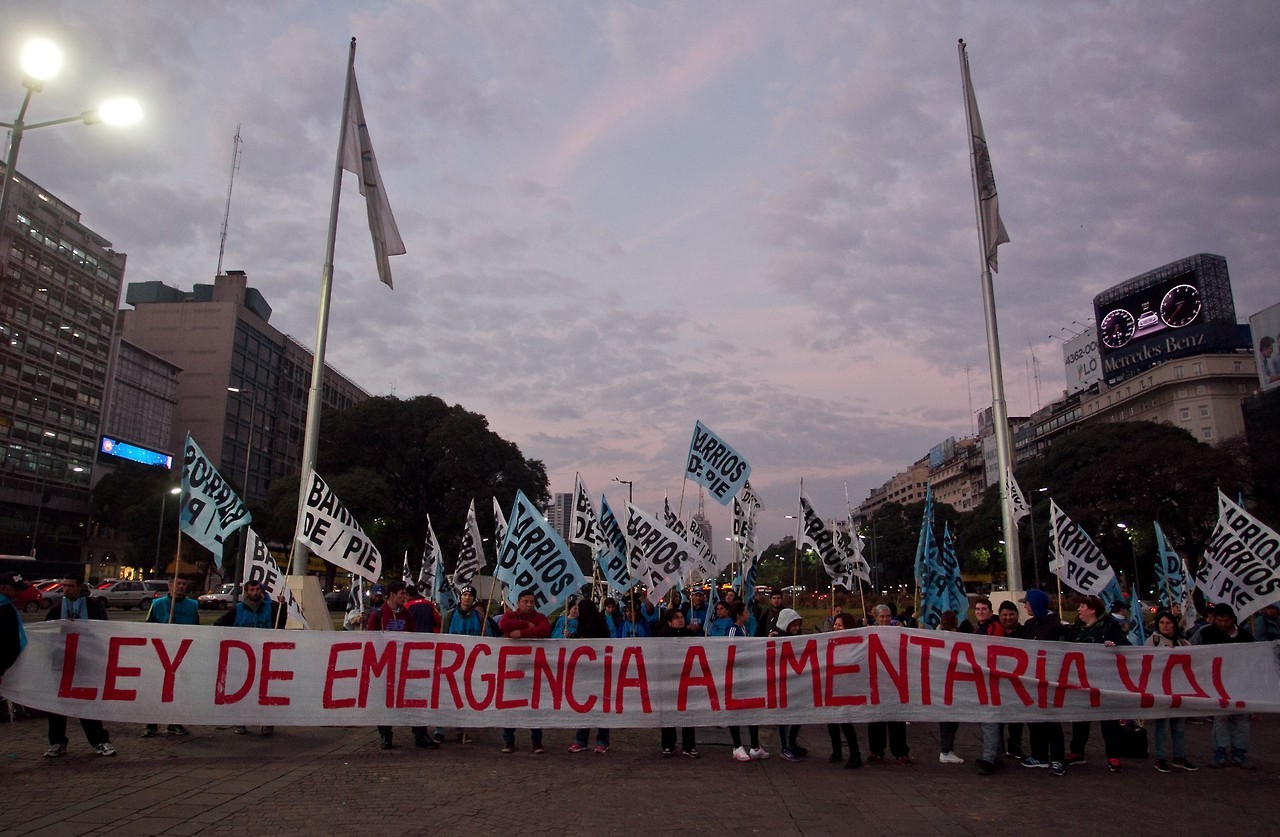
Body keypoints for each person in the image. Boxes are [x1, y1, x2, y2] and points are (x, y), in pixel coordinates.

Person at [40, 574, 117, 757]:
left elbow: (103, 630)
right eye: (64, 586)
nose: (66, 589)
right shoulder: (57, 609)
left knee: (87, 702)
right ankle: (57, 742)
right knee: (58, 704)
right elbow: (47, 634)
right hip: (62, 663)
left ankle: (100, 741)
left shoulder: (94, 607)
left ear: (79, 586)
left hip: (87, 662)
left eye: (70, 586)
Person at [366, 581, 434, 750]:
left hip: (404, 665)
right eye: (402, 593)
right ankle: (385, 735)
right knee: (384, 702)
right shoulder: (378, 615)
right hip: (384, 666)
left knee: (413, 699)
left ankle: (420, 734)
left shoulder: (407, 615)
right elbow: (369, 640)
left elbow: (412, 637)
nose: (405, 597)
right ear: (392, 595)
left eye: (405, 593)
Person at [1065, 595, 1130, 773]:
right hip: (1081, 680)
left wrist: (1114, 645)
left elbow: (1127, 647)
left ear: (1093, 610)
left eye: (1082, 606)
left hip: (1104, 680)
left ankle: (1113, 755)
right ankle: (1077, 751)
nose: (1079, 610)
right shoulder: (1076, 629)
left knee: (1108, 718)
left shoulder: (1110, 627)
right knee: (1080, 718)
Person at [214, 578, 284, 735]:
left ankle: (267, 722)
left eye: (257, 590)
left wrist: (282, 607)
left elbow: (280, 626)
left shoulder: (272, 607)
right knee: (242, 690)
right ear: (246, 592)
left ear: (261, 591)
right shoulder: (237, 610)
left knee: (265, 691)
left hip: (265, 657)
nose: (255, 593)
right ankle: (241, 720)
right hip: (242, 659)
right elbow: (218, 625)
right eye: (251, 590)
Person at [1193, 602, 1255, 769]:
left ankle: (1239, 752)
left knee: (1241, 718)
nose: (1222, 624)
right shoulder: (1206, 633)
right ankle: (1220, 752)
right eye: (1219, 620)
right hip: (1218, 683)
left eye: (1226, 620)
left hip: (1241, 682)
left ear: (1232, 619)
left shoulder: (1245, 635)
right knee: (1221, 718)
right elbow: (1193, 653)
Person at [1016, 590, 1069, 775]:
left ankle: (1057, 758)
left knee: (1051, 721)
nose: (1025, 607)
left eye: (1027, 603)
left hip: (1050, 681)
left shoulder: (1056, 627)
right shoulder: (1030, 624)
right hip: (1032, 680)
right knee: (1035, 720)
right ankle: (1038, 754)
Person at [143, 578, 200, 738]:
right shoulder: (158, 604)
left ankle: (174, 722)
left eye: (184, 584)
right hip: (160, 653)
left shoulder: (193, 606)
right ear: (170, 585)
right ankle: (151, 724)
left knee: (178, 689)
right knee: (156, 689)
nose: (181, 586)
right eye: (178, 583)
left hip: (181, 654)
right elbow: (148, 627)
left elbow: (197, 628)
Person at [499, 589, 551, 754]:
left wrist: (522, 633)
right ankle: (509, 742)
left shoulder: (540, 618)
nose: (529, 605)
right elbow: (504, 626)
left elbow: (544, 630)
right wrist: (526, 625)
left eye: (531, 602)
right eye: (525, 602)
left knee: (534, 707)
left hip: (533, 669)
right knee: (509, 706)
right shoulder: (511, 616)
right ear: (518, 602)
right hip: (512, 669)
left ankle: (537, 742)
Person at [1146, 609, 1197, 773]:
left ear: (1174, 625)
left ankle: (1179, 757)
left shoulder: (1184, 643)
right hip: (1160, 688)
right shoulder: (1153, 641)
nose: (1165, 626)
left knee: (1179, 726)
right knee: (1162, 726)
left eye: (1168, 623)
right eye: (1161, 623)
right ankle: (1160, 757)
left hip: (1180, 688)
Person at [865, 604, 910, 765]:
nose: (885, 620)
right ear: (875, 618)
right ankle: (876, 751)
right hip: (876, 680)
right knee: (876, 717)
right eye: (882, 617)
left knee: (896, 717)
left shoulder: (899, 631)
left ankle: (900, 752)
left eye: (887, 616)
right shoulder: (868, 632)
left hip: (894, 680)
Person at [725, 601, 768, 761]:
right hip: (737, 677)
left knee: (752, 708)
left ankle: (755, 746)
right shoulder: (732, 630)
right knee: (736, 710)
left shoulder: (743, 629)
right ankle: (737, 746)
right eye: (745, 612)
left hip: (747, 676)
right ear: (739, 614)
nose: (748, 614)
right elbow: (730, 652)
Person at [569, 599, 612, 754]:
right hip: (586, 672)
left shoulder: (596, 625)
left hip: (598, 671)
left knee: (598, 705)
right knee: (585, 705)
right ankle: (587, 740)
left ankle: (598, 740)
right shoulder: (586, 624)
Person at [656, 608, 700, 758]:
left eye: (681, 617)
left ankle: (689, 746)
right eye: (676, 618)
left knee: (688, 712)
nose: (680, 620)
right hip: (669, 678)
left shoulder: (690, 635)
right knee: (668, 712)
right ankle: (668, 745)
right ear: (669, 621)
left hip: (687, 679)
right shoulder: (663, 637)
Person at [826, 611, 863, 769]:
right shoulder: (830, 641)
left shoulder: (854, 644)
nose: (836, 628)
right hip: (833, 685)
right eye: (835, 625)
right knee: (830, 720)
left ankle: (855, 754)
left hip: (846, 686)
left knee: (845, 721)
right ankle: (836, 751)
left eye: (840, 625)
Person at [769, 608, 807, 761]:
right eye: (794, 626)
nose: (797, 629)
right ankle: (785, 747)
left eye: (798, 625)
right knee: (785, 717)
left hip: (795, 682)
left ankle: (792, 743)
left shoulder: (796, 638)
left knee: (798, 715)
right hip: (782, 683)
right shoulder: (776, 638)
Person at [995, 599, 1026, 761]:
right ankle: (997, 747)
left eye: (1011, 614)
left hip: (1017, 682)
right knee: (997, 718)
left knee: (1016, 717)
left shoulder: (1025, 632)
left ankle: (1014, 746)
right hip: (997, 681)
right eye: (1004, 615)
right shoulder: (993, 632)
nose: (1008, 618)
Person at [936, 611, 965, 765]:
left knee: (946, 719)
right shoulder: (957, 637)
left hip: (943, 684)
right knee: (950, 719)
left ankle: (946, 749)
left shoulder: (934, 637)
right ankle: (946, 749)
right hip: (952, 685)